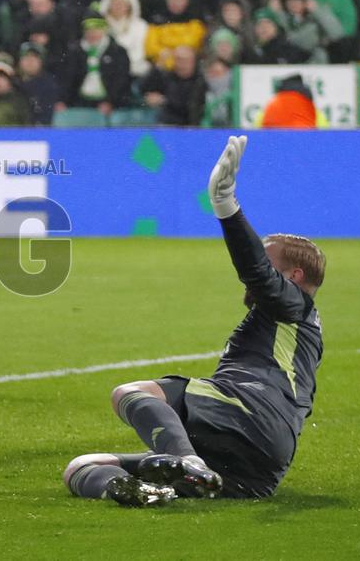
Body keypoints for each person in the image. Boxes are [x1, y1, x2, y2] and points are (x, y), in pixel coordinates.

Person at [64, 135, 326, 505]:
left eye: (270, 263)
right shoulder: (296, 323)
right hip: (259, 470)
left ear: (295, 277)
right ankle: (147, 492)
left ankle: (184, 458)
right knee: (82, 467)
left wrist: (226, 206)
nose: (257, 271)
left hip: (247, 412)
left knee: (131, 393)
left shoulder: (293, 304)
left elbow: (256, 273)